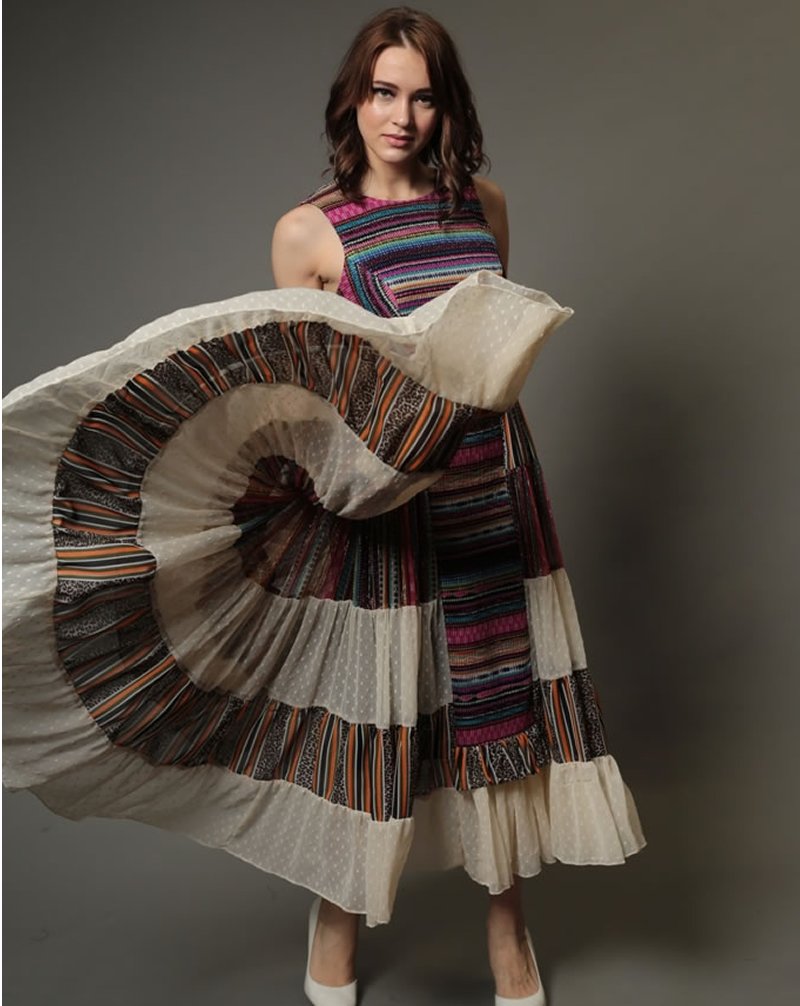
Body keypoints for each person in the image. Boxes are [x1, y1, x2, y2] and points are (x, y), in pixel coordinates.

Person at [270, 8, 645, 1006]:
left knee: (497, 707)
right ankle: (337, 915)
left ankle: (506, 926)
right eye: (382, 92)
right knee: (380, 714)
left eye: (423, 96)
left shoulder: (483, 207)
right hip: (387, 505)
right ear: (352, 100)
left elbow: (490, 351)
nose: (401, 116)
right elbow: (314, 401)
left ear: (447, 108)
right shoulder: (308, 232)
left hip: (491, 489)